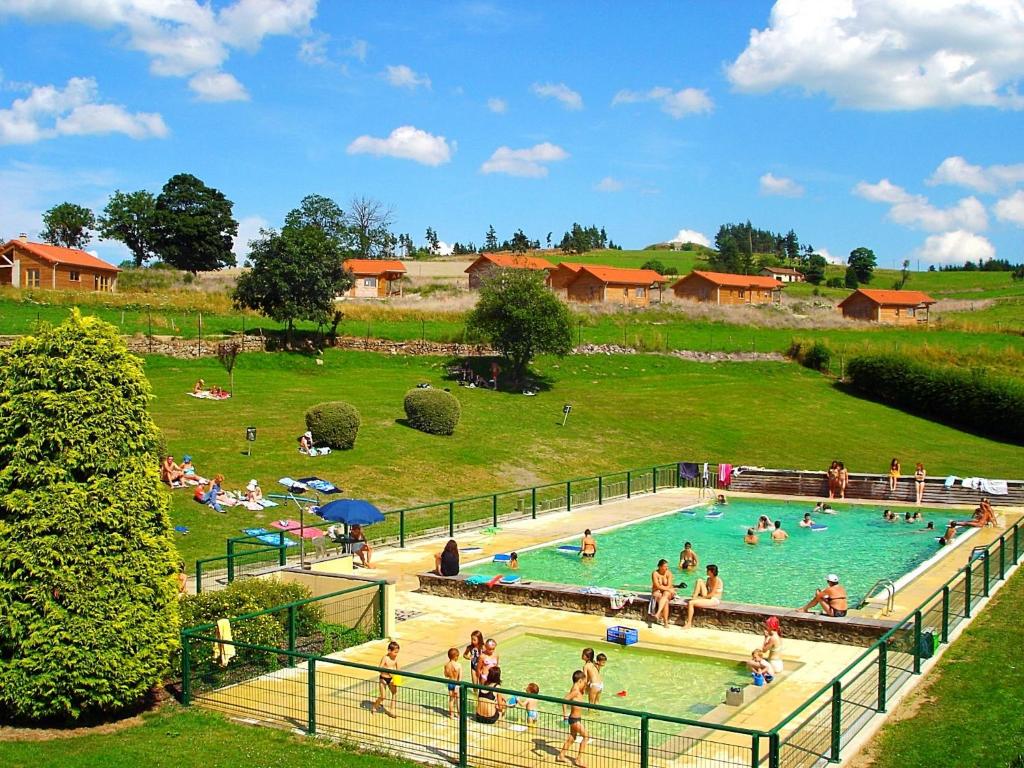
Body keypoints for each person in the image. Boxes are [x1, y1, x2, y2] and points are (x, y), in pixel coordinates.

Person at [556, 670, 589, 767]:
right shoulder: (575, 691)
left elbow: (583, 692)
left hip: (575, 718)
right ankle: (579, 759)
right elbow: (564, 700)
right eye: (583, 682)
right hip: (574, 719)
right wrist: (564, 715)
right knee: (586, 736)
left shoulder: (576, 689)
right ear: (579, 681)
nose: (584, 684)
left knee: (572, 737)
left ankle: (561, 755)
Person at [683, 564, 723, 628]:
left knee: (691, 603)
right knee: (699, 580)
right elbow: (706, 590)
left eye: (707, 570)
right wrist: (698, 595)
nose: (706, 571)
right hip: (708, 597)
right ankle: (694, 597)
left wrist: (701, 598)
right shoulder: (708, 579)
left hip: (714, 599)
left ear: (711, 572)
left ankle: (689, 623)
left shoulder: (717, 580)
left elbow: (712, 594)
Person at [372, 641, 400, 716]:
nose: (396, 654)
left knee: (394, 693)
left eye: (397, 652)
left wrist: (396, 678)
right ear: (389, 651)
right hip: (383, 678)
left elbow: (398, 669)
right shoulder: (385, 658)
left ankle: (392, 710)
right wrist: (387, 672)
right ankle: (375, 706)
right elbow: (379, 669)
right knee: (383, 696)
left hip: (391, 679)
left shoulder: (396, 659)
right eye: (395, 652)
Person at [650, 559, 676, 627]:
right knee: (666, 601)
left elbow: (669, 585)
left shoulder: (669, 573)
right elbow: (657, 585)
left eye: (667, 566)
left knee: (666, 594)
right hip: (658, 591)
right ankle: (665, 622)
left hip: (666, 592)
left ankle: (658, 613)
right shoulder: (655, 573)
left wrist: (666, 589)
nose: (666, 568)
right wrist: (667, 589)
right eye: (665, 566)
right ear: (660, 566)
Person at [443, 647, 461, 719]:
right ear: (456, 656)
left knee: (451, 700)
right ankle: (459, 715)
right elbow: (460, 677)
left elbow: (446, 675)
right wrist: (458, 685)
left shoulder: (446, 665)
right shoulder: (458, 665)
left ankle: (451, 715)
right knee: (458, 700)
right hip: (456, 683)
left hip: (450, 683)